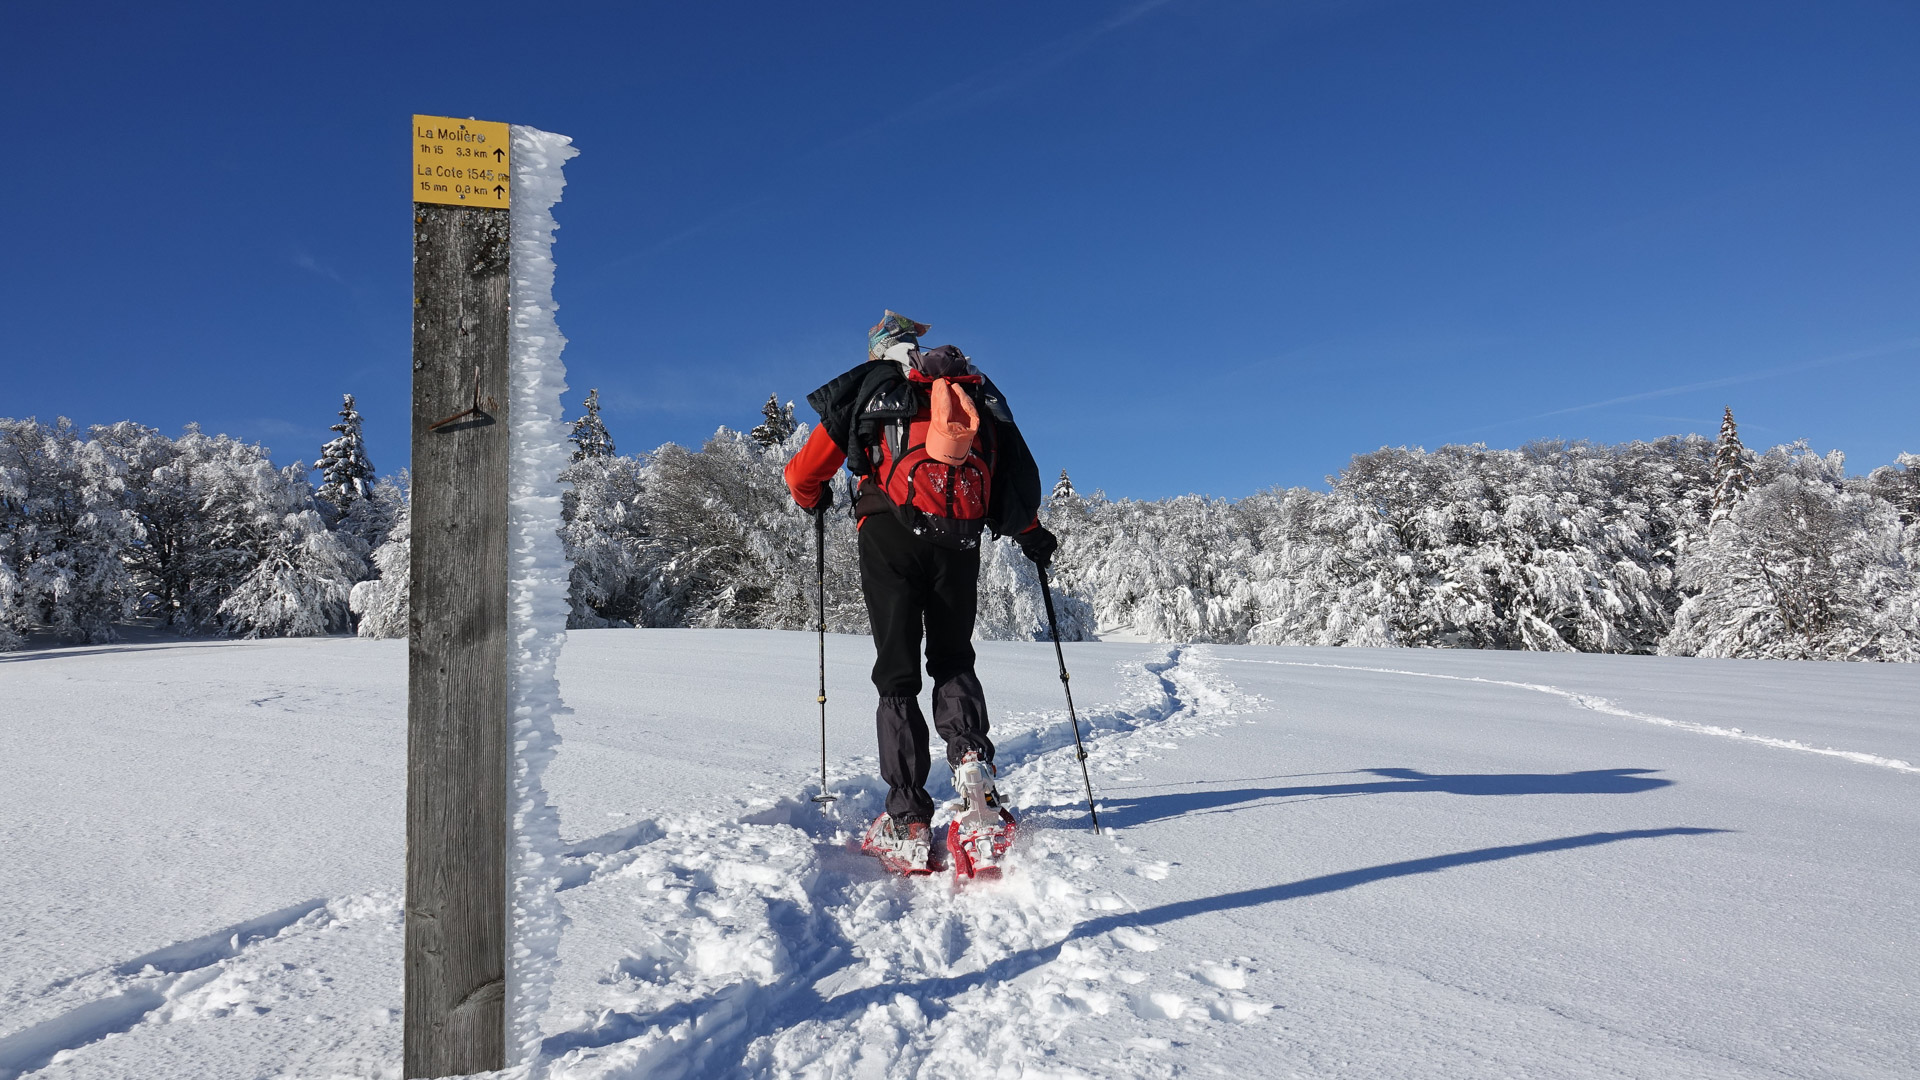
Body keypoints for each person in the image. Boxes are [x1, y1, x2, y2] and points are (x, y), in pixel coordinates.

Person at [785, 311, 1058, 874]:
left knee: (897, 671)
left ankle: (908, 819)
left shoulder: (873, 387)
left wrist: (813, 498)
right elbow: (1009, 480)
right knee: (954, 658)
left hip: (887, 535)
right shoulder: (971, 392)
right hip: (958, 539)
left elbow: (804, 473)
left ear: (878, 351)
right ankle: (974, 773)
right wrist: (1032, 535)